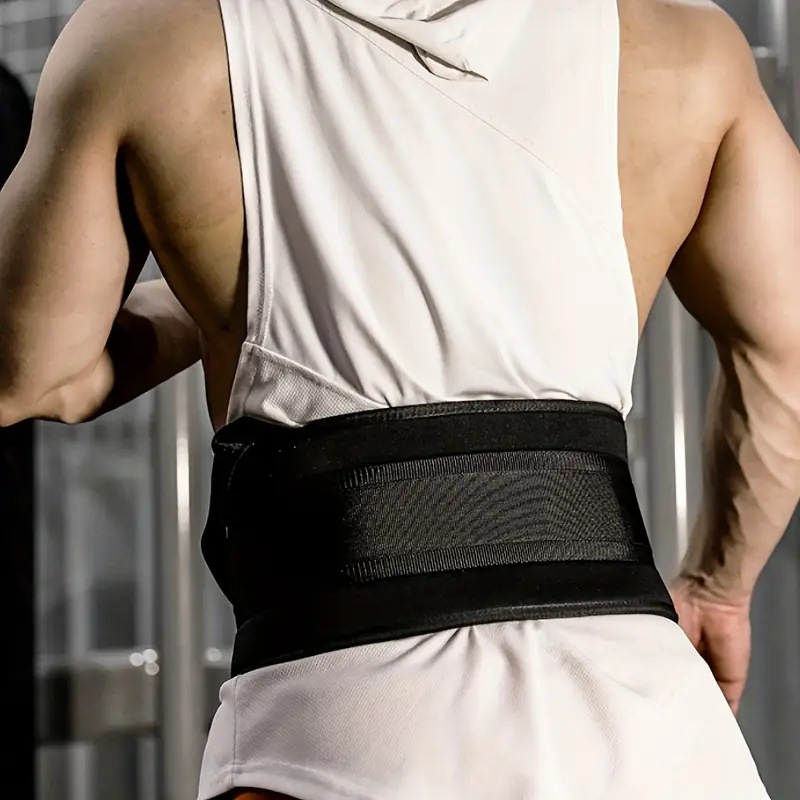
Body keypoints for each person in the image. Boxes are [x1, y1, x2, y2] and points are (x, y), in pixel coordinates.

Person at [1, 0, 798, 797]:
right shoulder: (683, 42)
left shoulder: (151, 33)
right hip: (654, 731)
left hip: (343, 734)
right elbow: (784, 353)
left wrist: (213, 296)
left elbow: (32, 374)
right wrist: (718, 589)